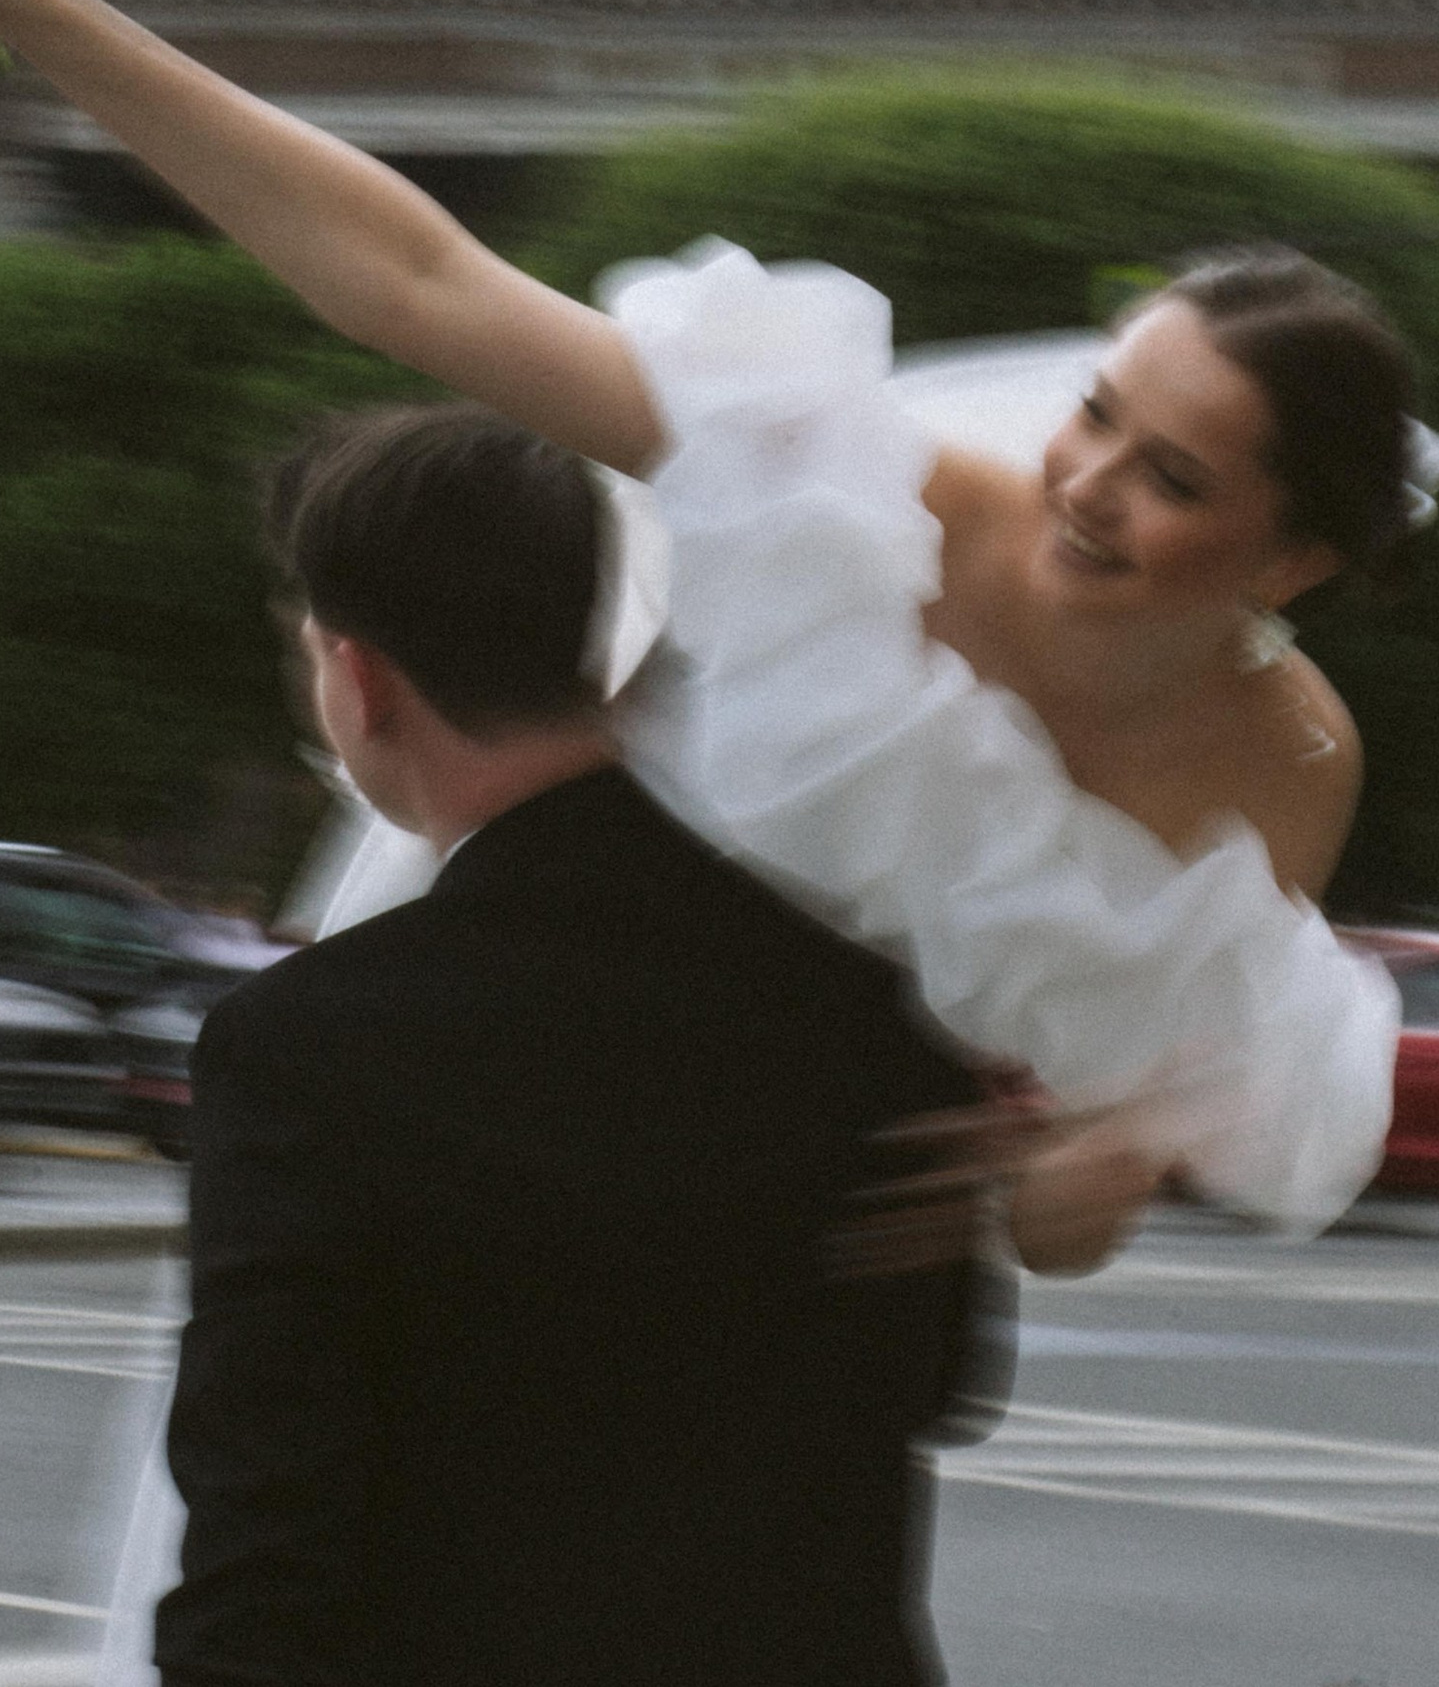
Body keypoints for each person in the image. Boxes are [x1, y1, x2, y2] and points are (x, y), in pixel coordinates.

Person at [0, 0, 1411, 1231]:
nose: (1084, 483)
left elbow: (1144, 1125)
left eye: (1171, 476)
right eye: (1094, 414)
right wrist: (43, 5)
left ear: (1288, 565)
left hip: (783, 1201)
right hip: (502, 1029)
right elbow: (418, 284)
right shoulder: (848, 494)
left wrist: (1099, 1168)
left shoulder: (1285, 766)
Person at [159, 395, 1018, 1687]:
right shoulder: (873, 985)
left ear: (361, 678)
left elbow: (266, 1538)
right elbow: (940, 1380)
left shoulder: (303, 1051)